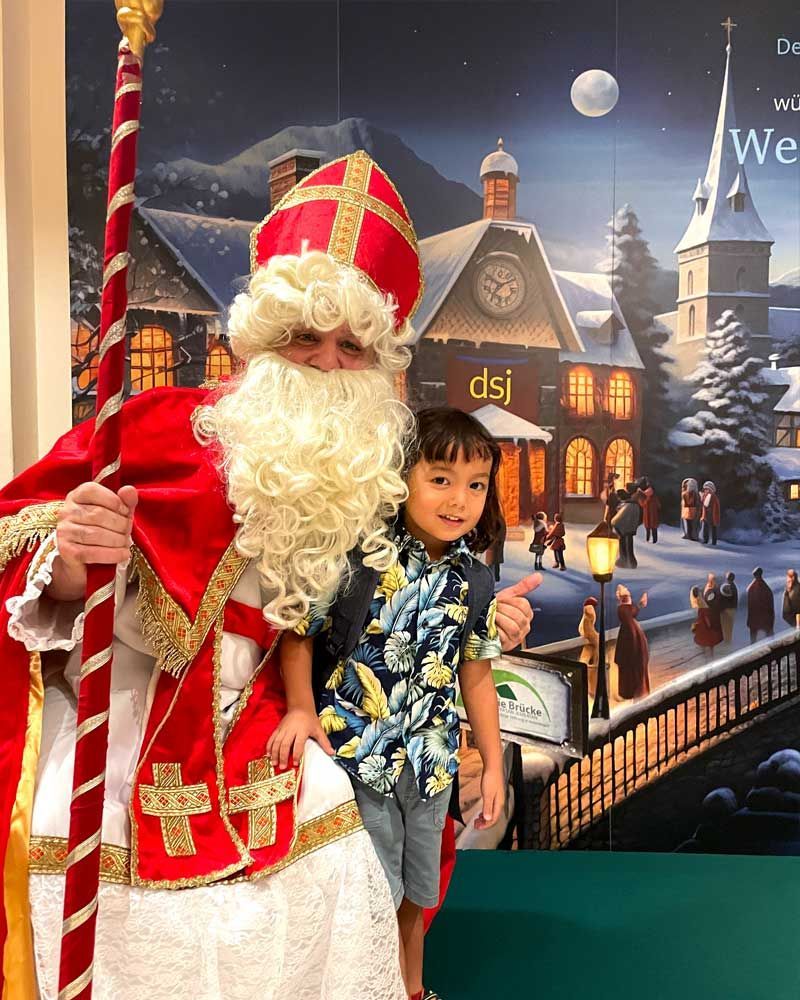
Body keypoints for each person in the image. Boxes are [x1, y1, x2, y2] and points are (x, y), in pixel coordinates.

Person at [0, 153, 536, 999]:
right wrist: (71, 565)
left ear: (381, 363)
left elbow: (415, 597)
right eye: (303, 338)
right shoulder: (162, 427)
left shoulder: (375, 476)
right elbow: (20, 539)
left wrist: (485, 617)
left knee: (333, 858)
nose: (326, 363)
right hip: (137, 715)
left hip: (283, 720)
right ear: (260, 341)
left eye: (352, 346)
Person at [272, 407, 506, 1000]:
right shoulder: (359, 558)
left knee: (416, 894)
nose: (459, 499)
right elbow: (299, 631)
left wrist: (493, 762)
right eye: (441, 479)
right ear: (401, 477)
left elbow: (476, 673)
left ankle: (411, 988)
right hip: (356, 757)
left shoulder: (475, 580)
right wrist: (300, 708)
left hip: (430, 766)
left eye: (476, 484)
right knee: (366, 890)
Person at [614, 585, 650, 700]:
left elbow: (633, 611)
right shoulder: (624, 612)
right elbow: (632, 611)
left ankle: (637, 692)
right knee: (633, 671)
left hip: (632, 647)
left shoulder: (626, 614)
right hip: (632, 648)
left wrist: (640, 605)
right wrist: (640, 604)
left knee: (634, 670)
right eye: (627, 596)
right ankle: (637, 692)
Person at [611, 488, 640, 569]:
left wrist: (613, 523)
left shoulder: (627, 505)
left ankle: (625, 561)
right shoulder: (634, 504)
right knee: (629, 546)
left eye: (618, 497)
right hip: (630, 529)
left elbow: (617, 520)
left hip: (623, 529)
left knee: (624, 545)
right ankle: (630, 561)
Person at [690, 586, 723, 657]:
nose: (700, 591)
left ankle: (705, 653)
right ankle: (711, 654)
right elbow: (705, 614)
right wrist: (709, 623)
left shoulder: (698, 600)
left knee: (703, 637)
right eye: (699, 591)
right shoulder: (701, 600)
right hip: (704, 621)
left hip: (701, 621)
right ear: (698, 592)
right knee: (710, 637)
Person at [578, 596, 600, 699]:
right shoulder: (589, 610)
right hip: (589, 634)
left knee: (586, 658)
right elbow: (588, 625)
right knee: (596, 650)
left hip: (589, 636)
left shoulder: (587, 612)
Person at [747, 567, 775, 644]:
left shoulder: (751, 588)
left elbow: (749, 605)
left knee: (754, 637)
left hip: (757, 617)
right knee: (767, 636)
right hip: (762, 617)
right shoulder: (766, 588)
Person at [638, 476, 660, 544]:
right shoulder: (647, 496)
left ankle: (651, 540)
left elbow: (642, 504)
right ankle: (651, 540)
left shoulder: (647, 497)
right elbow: (658, 505)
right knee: (650, 528)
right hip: (650, 514)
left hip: (650, 514)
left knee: (651, 528)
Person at [718, 571, 738, 645]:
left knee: (726, 626)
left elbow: (726, 598)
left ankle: (727, 642)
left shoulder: (729, 587)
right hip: (732, 609)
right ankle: (728, 641)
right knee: (728, 626)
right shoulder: (733, 586)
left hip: (728, 610)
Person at [487, 513, 507, 583]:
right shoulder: (499, 519)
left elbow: (498, 532)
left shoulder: (496, 519)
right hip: (495, 543)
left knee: (492, 562)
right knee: (494, 562)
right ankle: (495, 576)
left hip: (494, 543)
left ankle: (492, 578)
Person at [700, 481, 721, 545]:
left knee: (711, 528)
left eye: (707, 489)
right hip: (707, 514)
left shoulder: (711, 496)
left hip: (710, 515)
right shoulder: (706, 495)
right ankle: (707, 540)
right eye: (705, 489)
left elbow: (706, 504)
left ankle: (710, 541)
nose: (706, 490)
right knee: (707, 528)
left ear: (711, 489)